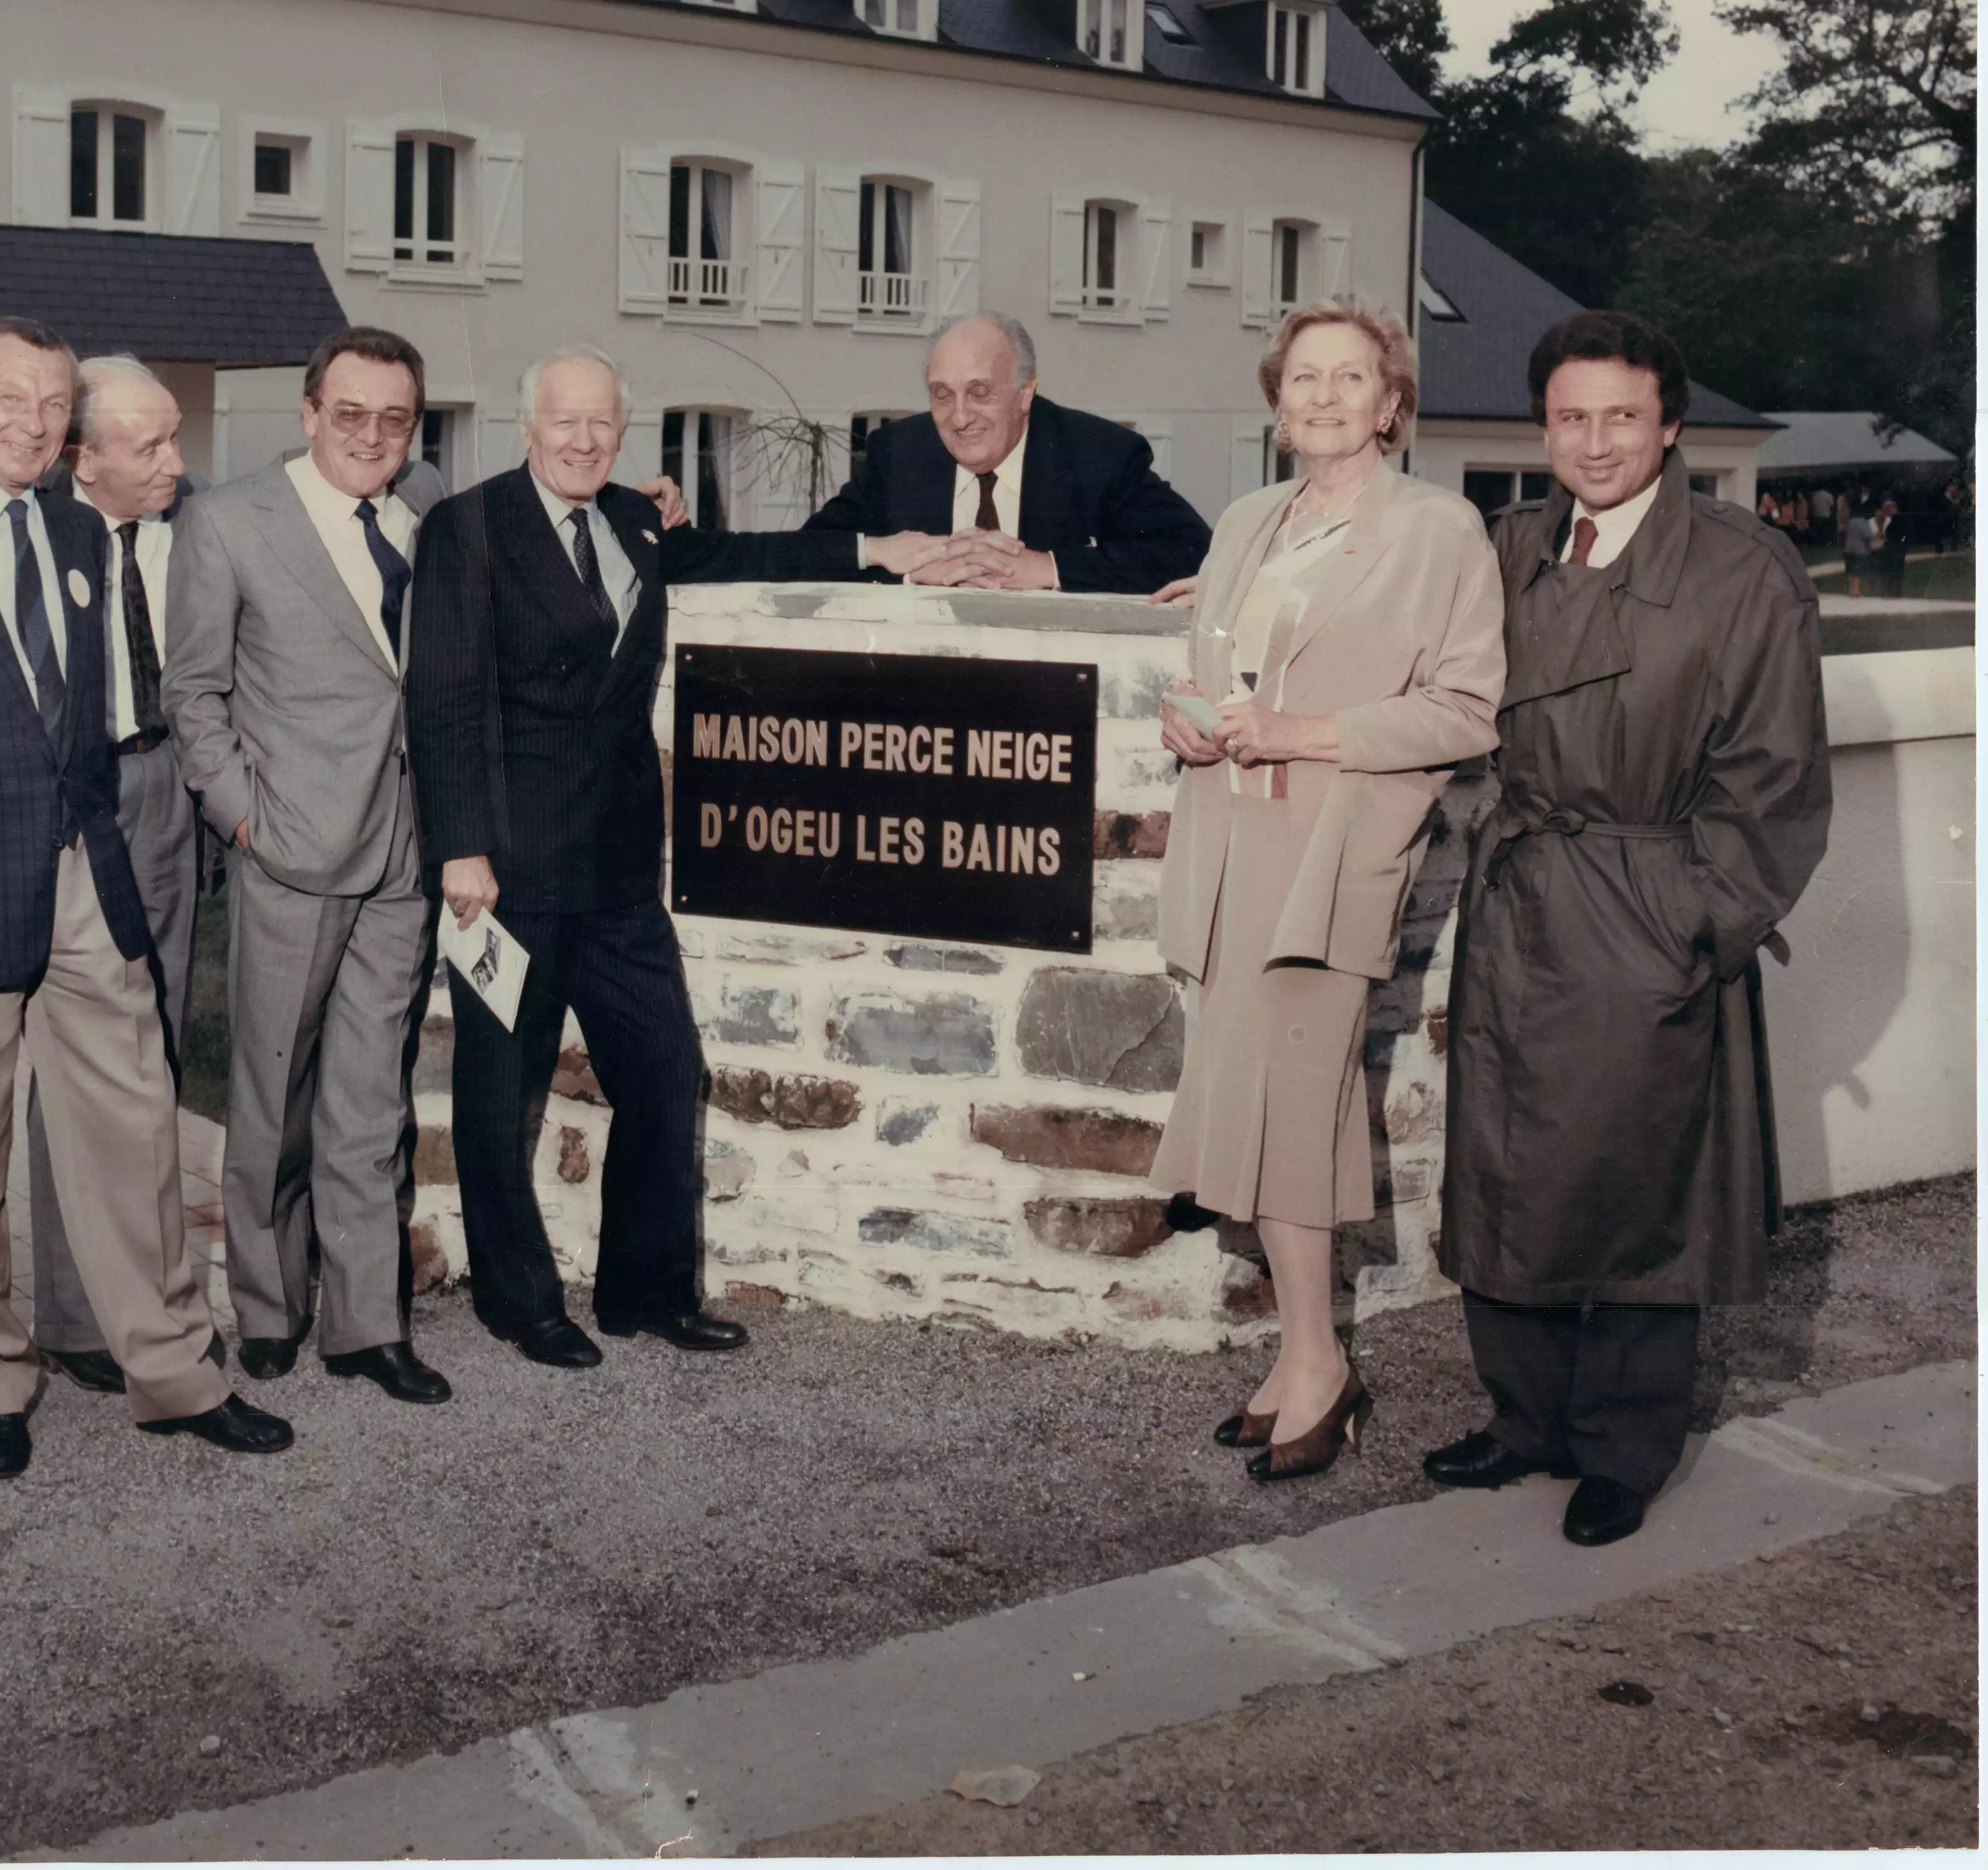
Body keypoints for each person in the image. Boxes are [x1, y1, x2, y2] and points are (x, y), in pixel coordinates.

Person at [404, 346, 952, 1366]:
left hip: (617, 865)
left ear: (622, 432)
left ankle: (645, 1292)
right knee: (498, 1091)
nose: (582, 440)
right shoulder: (467, 527)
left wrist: (878, 546)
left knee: (664, 1069)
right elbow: (439, 697)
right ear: (526, 428)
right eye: (564, 421)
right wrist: (461, 848)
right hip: (508, 867)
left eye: (601, 424)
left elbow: (745, 556)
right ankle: (519, 1302)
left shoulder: (636, 520)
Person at [0, 317, 288, 1477]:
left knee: (136, 1126)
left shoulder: (80, 528)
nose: (33, 424)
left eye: (51, 405)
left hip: (86, 878)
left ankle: (174, 1371)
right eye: (10, 398)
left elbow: (81, 719)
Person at [1426, 311, 1831, 1547]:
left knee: (1647, 1187)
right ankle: (1528, 1416)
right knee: (1505, 1171)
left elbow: (1776, 780)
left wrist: (1686, 920)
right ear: (1540, 426)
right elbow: (1390, 639)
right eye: (1570, 417)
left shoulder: (1744, 569)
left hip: (1646, 903)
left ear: (1670, 424)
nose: (1595, 442)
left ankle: (1623, 1444)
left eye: (1621, 416)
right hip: (1519, 903)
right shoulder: (1501, 545)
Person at [1148, 297, 1504, 1483]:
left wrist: (1298, 730)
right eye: (1304, 377)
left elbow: (1465, 710)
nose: (1325, 396)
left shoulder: (1438, 528)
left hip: (1330, 855)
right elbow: (1213, 667)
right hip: (1228, 851)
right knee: (1245, 1114)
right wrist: (1185, 720)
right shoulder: (1246, 520)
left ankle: (1319, 1362)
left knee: (1293, 1110)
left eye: (1352, 378)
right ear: (1276, 401)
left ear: (1391, 403)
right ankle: (1300, 1354)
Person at [163, 326, 454, 1405]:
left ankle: (367, 1323)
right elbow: (193, 692)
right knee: (272, 1093)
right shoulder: (229, 520)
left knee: (371, 1099)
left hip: (404, 850)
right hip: (289, 845)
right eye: (350, 414)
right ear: (308, 411)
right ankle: (270, 1307)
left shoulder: (429, 503)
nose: (371, 436)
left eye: (394, 418)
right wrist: (243, 818)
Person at [23, 356, 201, 1395]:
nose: (177, 460)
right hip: (77, 805)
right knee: (78, 1061)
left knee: (156, 1051)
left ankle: (157, 1296)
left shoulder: (194, 522)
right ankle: (72, 1310)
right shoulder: (39, 538)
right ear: (84, 458)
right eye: (152, 445)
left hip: (169, 787)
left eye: (176, 437)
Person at [806, 310, 1210, 592]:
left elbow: (1196, 553)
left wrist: (1050, 568)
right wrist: (905, 571)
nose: (960, 417)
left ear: (1025, 393)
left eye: (980, 392)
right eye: (943, 394)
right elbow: (807, 554)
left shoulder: (1097, 453)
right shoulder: (900, 453)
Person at [1842, 500, 1876, 597]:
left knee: (1851, 569)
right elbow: (1867, 535)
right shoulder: (1863, 522)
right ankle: (1856, 590)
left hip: (1849, 548)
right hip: (1859, 549)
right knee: (1857, 571)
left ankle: (1852, 589)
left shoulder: (1850, 521)